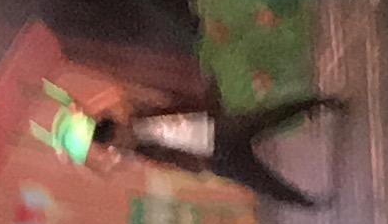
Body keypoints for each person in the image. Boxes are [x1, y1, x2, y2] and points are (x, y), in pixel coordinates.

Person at [33, 80, 335, 210]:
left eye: (118, 136)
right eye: (115, 143)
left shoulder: (137, 113)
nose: (120, 142)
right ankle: (307, 202)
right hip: (215, 158)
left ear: (118, 127)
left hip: (217, 128)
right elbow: (105, 173)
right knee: (264, 183)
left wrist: (87, 110)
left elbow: (123, 93)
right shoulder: (136, 153)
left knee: (270, 116)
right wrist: (77, 160)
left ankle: (318, 103)